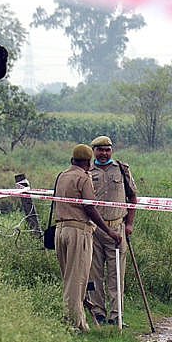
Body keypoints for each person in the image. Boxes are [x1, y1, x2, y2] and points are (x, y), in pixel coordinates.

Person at [51, 144, 122, 332]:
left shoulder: (62, 176)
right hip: (78, 232)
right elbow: (90, 208)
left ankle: (79, 320)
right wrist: (109, 231)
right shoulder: (83, 177)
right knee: (78, 280)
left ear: (72, 160)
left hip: (60, 230)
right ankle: (74, 324)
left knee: (69, 278)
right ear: (88, 162)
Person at [86, 135, 138, 326]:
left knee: (116, 274)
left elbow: (133, 197)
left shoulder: (122, 170)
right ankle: (98, 313)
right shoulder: (87, 172)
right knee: (95, 273)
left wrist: (129, 224)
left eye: (107, 150)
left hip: (117, 228)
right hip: (94, 230)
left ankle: (116, 316)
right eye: (100, 150)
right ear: (94, 152)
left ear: (112, 151)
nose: (104, 153)